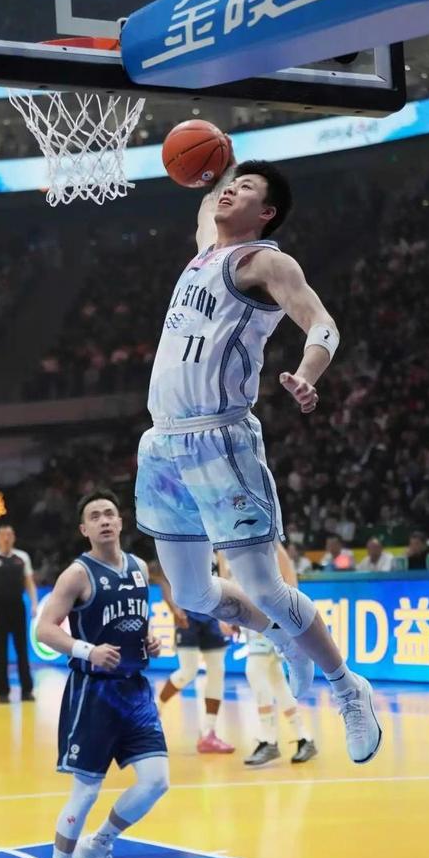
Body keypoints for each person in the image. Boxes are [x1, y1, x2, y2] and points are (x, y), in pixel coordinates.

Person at [134, 154, 382, 765]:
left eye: (245, 189)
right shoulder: (205, 250)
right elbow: (206, 200)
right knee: (193, 594)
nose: (230, 192)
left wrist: (307, 373)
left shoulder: (265, 262)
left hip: (221, 440)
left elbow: (323, 324)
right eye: (231, 184)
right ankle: (282, 637)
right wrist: (221, 158)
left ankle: (348, 688)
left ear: (266, 213)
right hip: (163, 443)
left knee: (266, 587)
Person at [36, 489, 168, 858]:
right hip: (93, 693)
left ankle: (98, 845)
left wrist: (149, 640)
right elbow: (44, 629)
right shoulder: (77, 574)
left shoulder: (139, 568)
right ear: (84, 529)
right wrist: (86, 650)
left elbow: (133, 622)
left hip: (135, 690)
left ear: (121, 521)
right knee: (86, 791)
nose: (105, 520)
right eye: (95, 516)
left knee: (156, 781)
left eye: (110, 513)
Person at [243, 543, 317, 766]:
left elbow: (291, 585)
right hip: (253, 620)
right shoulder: (234, 545)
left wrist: (287, 622)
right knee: (276, 681)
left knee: (254, 671)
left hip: (272, 620)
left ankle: (269, 740)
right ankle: (304, 738)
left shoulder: (275, 547)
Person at [155, 552, 234, 753]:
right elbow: (164, 579)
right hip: (187, 615)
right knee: (188, 671)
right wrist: (174, 609)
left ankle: (209, 733)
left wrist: (227, 616)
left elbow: (224, 581)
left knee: (217, 671)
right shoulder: (181, 544)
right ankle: (155, 710)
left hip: (213, 615)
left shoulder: (218, 548)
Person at [0, 522, 38, 703]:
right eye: (3, 534)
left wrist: (34, 604)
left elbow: (29, 583)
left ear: (14, 538)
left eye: (9, 534)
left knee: (22, 650)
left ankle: (27, 690)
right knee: (1, 651)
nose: (6, 538)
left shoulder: (22, 557)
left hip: (17, 606)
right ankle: (2, 692)